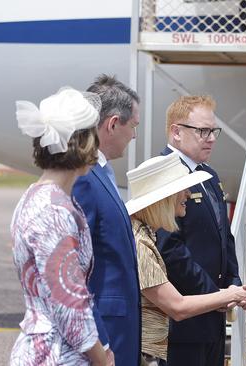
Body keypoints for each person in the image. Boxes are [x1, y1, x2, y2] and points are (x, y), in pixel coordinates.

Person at [125, 152, 246, 365]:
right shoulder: (140, 243)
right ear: (165, 199)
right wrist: (231, 295)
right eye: (183, 189)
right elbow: (177, 307)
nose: (188, 194)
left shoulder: (143, 235)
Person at [9, 87, 110, 365]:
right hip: (57, 355)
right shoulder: (54, 210)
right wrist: (101, 358)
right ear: (84, 143)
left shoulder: (36, 196)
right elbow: (69, 306)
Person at [156, 95, 243, 366]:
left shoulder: (208, 175)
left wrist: (233, 282)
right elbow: (170, 247)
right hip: (184, 322)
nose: (211, 138)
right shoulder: (164, 173)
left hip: (212, 316)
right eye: (202, 131)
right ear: (176, 132)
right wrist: (212, 294)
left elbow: (223, 236)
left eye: (213, 131)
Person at [73, 74, 142, 366]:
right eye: (133, 126)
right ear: (113, 124)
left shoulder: (102, 173)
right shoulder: (85, 178)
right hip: (106, 334)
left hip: (119, 327)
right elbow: (76, 269)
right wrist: (100, 341)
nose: (135, 135)